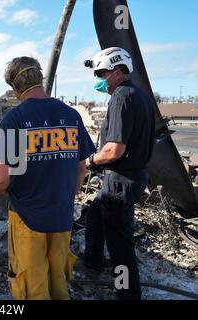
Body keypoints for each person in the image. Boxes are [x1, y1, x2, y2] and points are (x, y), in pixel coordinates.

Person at [0, 56, 96, 300]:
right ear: (41, 79)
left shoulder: (14, 120)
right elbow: (82, 166)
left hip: (28, 218)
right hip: (62, 216)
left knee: (32, 288)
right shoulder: (71, 116)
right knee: (58, 282)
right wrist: (69, 195)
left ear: (16, 88)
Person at [83, 47, 156, 300]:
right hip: (129, 178)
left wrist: (89, 161)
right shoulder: (140, 95)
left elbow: (114, 150)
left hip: (120, 181)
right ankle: (92, 262)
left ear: (116, 71)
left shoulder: (122, 97)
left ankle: (127, 293)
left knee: (120, 244)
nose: (98, 79)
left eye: (101, 73)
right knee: (94, 215)